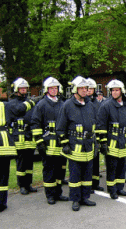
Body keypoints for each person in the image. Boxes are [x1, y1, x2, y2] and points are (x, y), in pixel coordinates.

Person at [56, 76, 97, 211]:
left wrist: (95, 143)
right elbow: (61, 127)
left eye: (86, 88)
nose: (85, 90)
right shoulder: (67, 105)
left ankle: (85, 197)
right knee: (75, 175)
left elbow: (93, 125)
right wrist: (65, 144)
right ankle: (75, 200)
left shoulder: (90, 104)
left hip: (88, 145)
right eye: (82, 88)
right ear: (75, 90)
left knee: (87, 174)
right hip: (74, 146)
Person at [31, 77, 70, 205]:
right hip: (48, 145)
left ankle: (58, 193)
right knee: (49, 171)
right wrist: (39, 143)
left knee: (60, 170)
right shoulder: (41, 105)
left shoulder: (62, 104)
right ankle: (50, 195)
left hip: (60, 144)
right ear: (46, 90)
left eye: (56, 88)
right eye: (51, 88)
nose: (54, 90)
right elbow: (35, 124)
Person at [96, 79, 126, 199]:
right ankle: (112, 190)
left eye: (117, 90)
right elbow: (101, 126)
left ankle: (120, 188)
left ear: (122, 91)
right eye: (113, 90)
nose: (115, 92)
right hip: (111, 141)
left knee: (122, 166)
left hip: (123, 140)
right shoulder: (106, 105)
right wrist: (103, 143)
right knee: (112, 167)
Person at [6, 78, 38, 195]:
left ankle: (28, 184)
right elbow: (8, 122)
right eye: (21, 88)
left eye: (25, 88)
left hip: (29, 136)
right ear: (16, 89)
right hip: (18, 137)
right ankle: (22, 186)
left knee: (29, 162)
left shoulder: (31, 103)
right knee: (21, 162)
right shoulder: (11, 104)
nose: (24, 90)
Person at [86, 78, 105, 193]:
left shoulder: (96, 103)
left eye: (91, 88)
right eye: (87, 88)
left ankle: (95, 183)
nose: (89, 90)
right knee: (88, 163)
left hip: (96, 136)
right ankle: (88, 185)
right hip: (86, 137)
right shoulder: (84, 102)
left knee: (96, 161)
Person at [0, 99, 17, 212]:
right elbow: (19, 111)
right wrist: (30, 103)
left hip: (4, 146)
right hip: (5, 144)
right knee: (3, 176)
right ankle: (2, 202)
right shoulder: (5, 105)